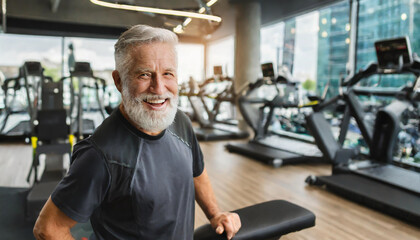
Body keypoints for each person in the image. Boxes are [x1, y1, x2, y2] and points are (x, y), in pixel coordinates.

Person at [33, 25, 241, 240]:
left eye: (168, 73)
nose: (159, 88)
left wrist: (215, 214)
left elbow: (196, 172)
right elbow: (48, 228)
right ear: (119, 81)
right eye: (144, 75)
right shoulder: (99, 154)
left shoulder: (180, 121)